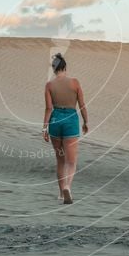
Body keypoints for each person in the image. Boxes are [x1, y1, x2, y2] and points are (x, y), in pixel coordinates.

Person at [42, 53, 88, 204]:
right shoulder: (74, 83)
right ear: (65, 67)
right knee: (71, 162)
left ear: (54, 69)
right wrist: (86, 122)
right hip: (70, 121)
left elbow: (49, 108)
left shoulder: (49, 85)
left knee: (60, 160)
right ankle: (68, 186)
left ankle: (61, 193)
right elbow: (82, 105)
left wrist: (45, 128)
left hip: (55, 121)